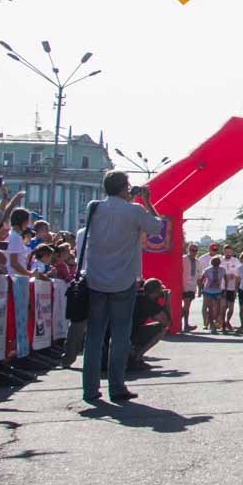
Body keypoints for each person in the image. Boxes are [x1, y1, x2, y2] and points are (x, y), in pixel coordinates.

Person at [80, 170, 164, 404]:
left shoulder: (93, 207)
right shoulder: (135, 210)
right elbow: (158, 228)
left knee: (94, 337)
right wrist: (146, 201)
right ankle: (116, 387)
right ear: (123, 188)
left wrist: (127, 199)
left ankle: (90, 389)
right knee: (120, 336)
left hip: (96, 279)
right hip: (123, 281)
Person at [128, 278, 170, 370]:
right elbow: (166, 321)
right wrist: (167, 300)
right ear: (156, 292)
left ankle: (132, 354)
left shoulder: (139, 296)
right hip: (131, 334)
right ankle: (135, 358)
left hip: (124, 331)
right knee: (162, 329)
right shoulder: (149, 302)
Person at [201, 256, 226, 332]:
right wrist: (201, 289)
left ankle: (215, 322)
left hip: (218, 291)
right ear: (211, 263)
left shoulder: (222, 269)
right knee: (210, 308)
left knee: (218, 309)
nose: (216, 264)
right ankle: (211, 325)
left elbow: (225, 278)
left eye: (217, 262)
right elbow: (202, 279)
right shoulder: (207, 270)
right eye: (214, 263)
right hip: (208, 291)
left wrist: (225, 289)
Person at [180, 243, 199, 333]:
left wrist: (200, 289)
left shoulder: (198, 262)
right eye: (192, 250)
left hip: (192, 286)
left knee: (187, 306)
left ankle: (177, 321)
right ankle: (185, 324)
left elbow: (198, 275)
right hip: (183, 285)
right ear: (188, 250)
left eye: (195, 250)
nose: (193, 252)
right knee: (186, 306)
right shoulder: (183, 259)